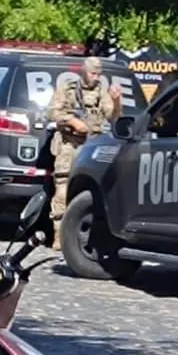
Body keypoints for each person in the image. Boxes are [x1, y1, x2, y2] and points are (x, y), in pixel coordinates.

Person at [49, 56, 122, 249]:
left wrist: (116, 101)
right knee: (62, 186)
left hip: (91, 144)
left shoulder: (102, 91)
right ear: (83, 71)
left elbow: (112, 116)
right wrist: (73, 121)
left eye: (99, 74)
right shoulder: (68, 88)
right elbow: (53, 113)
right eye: (92, 73)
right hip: (69, 143)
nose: (96, 77)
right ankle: (58, 234)